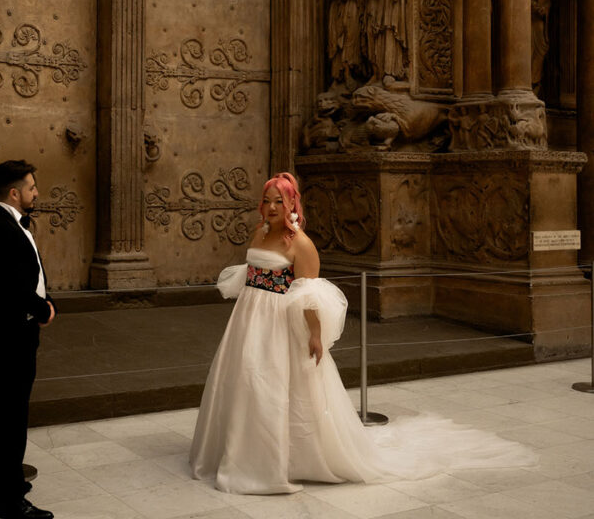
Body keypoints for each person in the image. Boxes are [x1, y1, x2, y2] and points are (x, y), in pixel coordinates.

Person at [190, 172, 535, 495]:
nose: (272, 207)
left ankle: (276, 459)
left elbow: (307, 296)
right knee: (245, 381)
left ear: (294, 204)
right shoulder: (260, 232)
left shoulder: (302, 245)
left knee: (272, 385)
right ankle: (238, 449)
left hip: (279, 324)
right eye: (267, 200)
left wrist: (314, 334)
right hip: (248, 320)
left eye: (280, 201)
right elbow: (252, 275)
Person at [0, 160, 56, 519]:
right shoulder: (0, 227)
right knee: (11, 415)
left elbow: (29, 271)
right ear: (14, 192)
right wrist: (42, 310)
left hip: (10, 329)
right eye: (32, 187)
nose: (36, 192)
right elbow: (9, 285)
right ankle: (10, 502)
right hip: (8, 332)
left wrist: (45, 301)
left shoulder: (9, 222)